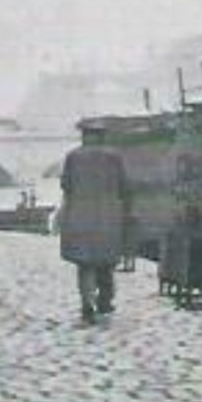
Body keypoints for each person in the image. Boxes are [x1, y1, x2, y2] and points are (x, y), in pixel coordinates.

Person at [58, 123, 130, 321]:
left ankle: (86, 303)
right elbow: (125, 187)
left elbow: (66, 186)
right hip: (108, 218)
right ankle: (105, 301)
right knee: (106, 264)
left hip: (80, 218)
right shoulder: (114, 157)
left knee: (84, 265)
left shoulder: (73, 157)